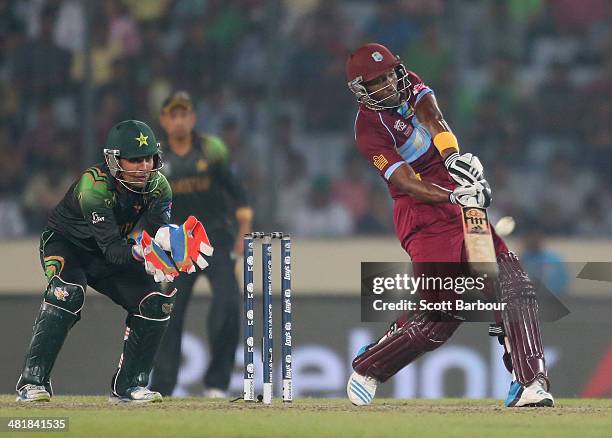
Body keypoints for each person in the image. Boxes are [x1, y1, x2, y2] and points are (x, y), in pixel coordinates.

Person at [345, 43, 554, 407]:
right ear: (362, 90)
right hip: (422, 214)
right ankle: (369, 366)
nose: (390, 85)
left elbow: (433, 119)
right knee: (442, 315)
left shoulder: (408, 82)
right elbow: (407, 182)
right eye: (378, 82)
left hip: (459, 197)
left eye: (391, 74)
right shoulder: (368, 131)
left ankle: (530, 383)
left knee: (513, 286)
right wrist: (451, 196)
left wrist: (454, 160)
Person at [15, 120, 211, 403]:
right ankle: (31, 382)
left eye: (148, 158)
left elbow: (157, 234)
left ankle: (129, 386)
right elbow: (113, 250)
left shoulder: (159, 186)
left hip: (110, 251)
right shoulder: (94, 186)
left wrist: (172, 244)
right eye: (134, 160)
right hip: (67, 246)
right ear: (114, 160)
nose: (144, 166)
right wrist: (145, 250)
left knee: (157, 298)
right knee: (67, 293)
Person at [150, 91, 252, 398]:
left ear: (193, 118)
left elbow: (238, 193)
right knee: (168, 313)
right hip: (175, 246)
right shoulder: (155, 157)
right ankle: (163, 387)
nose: (179, 120)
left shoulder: (213, 149)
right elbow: (147, 203)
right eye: (173, 115)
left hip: (216, 240)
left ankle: (217, 384)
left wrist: (243, 233)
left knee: (228, 305)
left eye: (185, 114)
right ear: (164, 120)